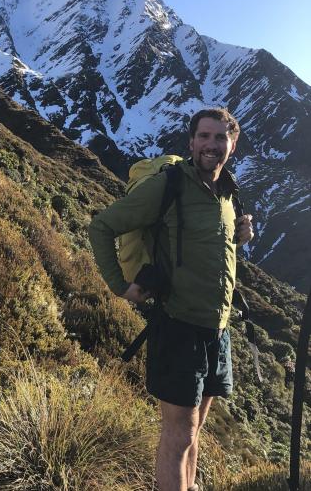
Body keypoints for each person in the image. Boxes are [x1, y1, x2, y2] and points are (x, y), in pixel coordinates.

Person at [88, 108, 254, 491]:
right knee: (179, 435)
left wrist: (241, 236)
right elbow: (102, 226)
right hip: (178, 325)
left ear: (233, 143)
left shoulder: (227, 191)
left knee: (194, 431)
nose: (212, 145)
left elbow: (212, 246)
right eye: (205, 137)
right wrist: (119, 286)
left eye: (220, 138)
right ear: (191, 141)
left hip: (218, 327)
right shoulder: (169, 185)